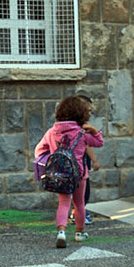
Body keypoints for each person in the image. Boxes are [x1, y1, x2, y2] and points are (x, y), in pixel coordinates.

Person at [35, 96, 104, 248]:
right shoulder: (81, 132)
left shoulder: (52, 132)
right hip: (79, 174)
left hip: (60, 174)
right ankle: (79, 233)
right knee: (79, 204)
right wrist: (94, 130)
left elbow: (39, 150)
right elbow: (99, 143)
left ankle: (61, 232)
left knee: (63, 203)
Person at [69, 95, 97, 225]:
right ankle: (78, 214)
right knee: (83, 191)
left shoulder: (68, 126)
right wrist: (95, 161)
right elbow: (88, 145)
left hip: (70, 163)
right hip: (81, 164)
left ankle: (74, 214)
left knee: (71, 192)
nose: (90, 114)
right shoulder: (83, 128)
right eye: (89, 110)